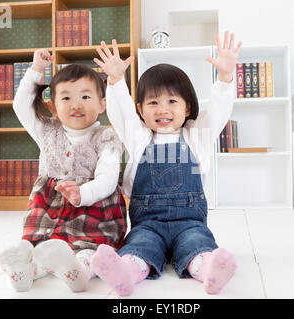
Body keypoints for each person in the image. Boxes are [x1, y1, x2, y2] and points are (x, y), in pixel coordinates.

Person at [89, 32, 241, 296]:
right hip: (148, 224)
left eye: (172, 101)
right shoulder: (138, 138)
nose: (162, 109)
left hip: (190, 223)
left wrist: (226, 79)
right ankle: (125, 272)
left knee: (198, 246)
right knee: (139, 247)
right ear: (140, 109)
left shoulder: (197, 135)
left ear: (188, 108)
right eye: (153, 102)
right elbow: (120, 111)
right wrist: (115, 81)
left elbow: (218, 111)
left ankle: (209, 271)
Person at [0, 49, 127, 292]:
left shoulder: (107, 136)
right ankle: (26, 272)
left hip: (92, 207)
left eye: (85, 97)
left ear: (102, 104)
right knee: (41, 248)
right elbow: (21, 106)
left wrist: (83, 193)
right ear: (53, 106)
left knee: (90, 248)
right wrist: (36, 70)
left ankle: (79, 272)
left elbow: (109, 178)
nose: (76, 104)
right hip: (49, 207)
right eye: (66, 98)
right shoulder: (47, 130)